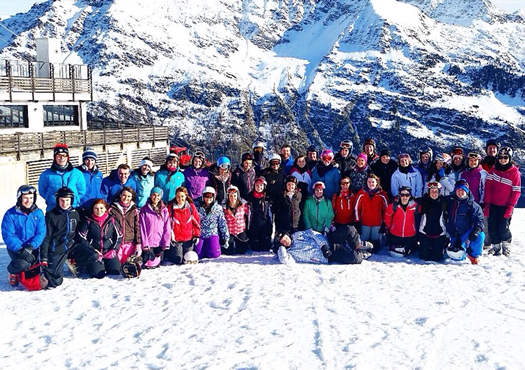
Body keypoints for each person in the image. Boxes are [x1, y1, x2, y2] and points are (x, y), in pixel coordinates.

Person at [2, 185, 46, 288]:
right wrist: (20, 249)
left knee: (32, 272)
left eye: (31, 198)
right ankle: (12, 271)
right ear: (20, 198)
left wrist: (31, 246)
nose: (28, 201)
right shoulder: (10, 214)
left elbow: (41, 232)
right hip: (16, 249)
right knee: (23, 264)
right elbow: (8, 235)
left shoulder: (38, 213)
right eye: (25, 198)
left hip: (32, 247)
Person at [40, 187, 81, 288]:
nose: (65, 203)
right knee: (55, 282)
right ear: (58, 200)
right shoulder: (51, 215)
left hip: (72, 246)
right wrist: (44, 257)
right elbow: (46, 237)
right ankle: (60, 262)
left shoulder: (75, 213)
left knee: (92, 255)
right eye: (62, 200)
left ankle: (75, 262)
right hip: (57, 248)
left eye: (67, 200)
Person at [484, 147, 521, 257]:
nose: (503, 159)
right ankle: (496, 247)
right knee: (492, 227)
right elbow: (488, 188)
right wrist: (487, 204)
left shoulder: (514, 173)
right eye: (500, 157)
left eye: (506, 157)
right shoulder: (494, 170)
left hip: (505, 205)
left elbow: (516, 191)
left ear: (509, 158)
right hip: (493, 205)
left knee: (503, 227)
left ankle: (506, 245)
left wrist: (511, 206)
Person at [75, 199, 122, 278]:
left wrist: (114, 249)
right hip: (95, 252)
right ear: (92, 209)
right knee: (98, 274)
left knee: (115, 272)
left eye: (101, 208)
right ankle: (87, 265)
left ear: (105, 209)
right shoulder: (88, 221)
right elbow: (81, 237)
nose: (99, 211)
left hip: (108, 250)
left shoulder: (112, 220)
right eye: (96, 208)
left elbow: (119, 236)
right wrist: (93, 250)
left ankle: (107, 262)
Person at [274, 228, 371, 265]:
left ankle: (358, 245)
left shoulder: (298, 235)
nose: (286, 241)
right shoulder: (290, 254)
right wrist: (281, 248)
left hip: (328, 240)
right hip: (328, 256)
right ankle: (362, 254)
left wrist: (324, 246)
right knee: (354, 258)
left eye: (285, 238)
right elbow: (285, 261)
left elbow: (313, 234)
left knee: (349, 230)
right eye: (283, 242)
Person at [446, 180, 485, 264]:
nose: (460, 192)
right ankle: (460, 249)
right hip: (455, 233)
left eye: (462, 190)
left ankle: (473, 255)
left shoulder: (473, 205)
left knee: (480, 235)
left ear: (467, 191)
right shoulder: (450, 202)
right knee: (457, 258)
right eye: (458, 190)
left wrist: (476, 230)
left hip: (467, 232)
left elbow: (479, 219)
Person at [38, 143, 86, 211]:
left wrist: (75, 199)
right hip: (53, 209)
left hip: (73, 208)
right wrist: (51, 199)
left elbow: (81, 190)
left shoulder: (77, 173)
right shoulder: (46, 175)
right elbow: (42, 191)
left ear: (67, 157)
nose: (62, 158)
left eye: (64, 155)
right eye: (58, 155)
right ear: (55, 157)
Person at [354, 174, 389, 253]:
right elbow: (356, 208)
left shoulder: (382, 194)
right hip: (365, 223)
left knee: (376, 244)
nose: (371, 184)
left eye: (373, 182)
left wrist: (384, 223)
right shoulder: (361, 193)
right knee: (363, 242)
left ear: (377, 183)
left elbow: (386, 210)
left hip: (377, 223)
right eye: (369, 182)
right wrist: (357, 222)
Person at [165, 186, 201, 265]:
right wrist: (170, 235)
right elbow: (167, 223)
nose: (180, 199)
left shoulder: (191, 207)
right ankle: (168, 254)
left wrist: (196, 235)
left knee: (188, 258)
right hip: (176, 239)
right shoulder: (171, 208)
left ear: (186, 196)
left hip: (188, 238)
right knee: (178, 259)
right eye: (178, 196)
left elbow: (196, 222)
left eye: (182, 196)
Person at [139, 187, 171, 268]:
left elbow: (167, 227)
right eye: (154, 195)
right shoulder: (144, 210)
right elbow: (142, 227)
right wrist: (145, 244)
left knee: (158, 265)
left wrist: (166, 242)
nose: (156, 197)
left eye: (158, 195)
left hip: (159, 243)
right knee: (148, 264)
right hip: (148, 244)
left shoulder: (164, 210)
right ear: (150, 195)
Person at [109, 186, 142, 264]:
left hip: (129, 242)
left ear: (132, 197)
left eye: (129, 196)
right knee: (117, 266)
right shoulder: (112, 209)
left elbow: (137, 227)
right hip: (116, 242)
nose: (126, 198)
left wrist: (138, 243)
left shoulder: (134, 210)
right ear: (120, 195)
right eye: (124, 195)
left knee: (128, 264)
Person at [384, 186, 419, 257]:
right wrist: (388, 227)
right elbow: (387, 217)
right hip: (395, 234)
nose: (405, 197)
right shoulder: (393, 206)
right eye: (402, 195)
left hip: (410, 235)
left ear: (410, 196)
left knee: (410, 251)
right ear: (399, 195)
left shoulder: (415, 206)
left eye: (407, 195)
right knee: (395, 253)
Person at [418, 182, 449, 262]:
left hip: (440, 233)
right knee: (424, 257)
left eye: (436, 191)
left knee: (437, 258)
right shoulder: (423, 201)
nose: (434, 194)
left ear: (439, 192)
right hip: (425, 232)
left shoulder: (444, 202)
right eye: (432, 191)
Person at [195, 187, 229, 258]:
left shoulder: (218, 208)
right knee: (198, 255)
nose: (208, 198)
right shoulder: (197, 207)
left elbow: (222, 222)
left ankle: (211, 247)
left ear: (214, 196)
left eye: (211, 196)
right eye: (206, 196)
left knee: (214, 254)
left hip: (212, 233)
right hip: (200, 234)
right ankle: (203, 248)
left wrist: (225, 236)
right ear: (203, 196)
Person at [245, 177, 272, 252]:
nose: (259, 187)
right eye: (257, 185)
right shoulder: (249, 197)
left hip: (265, 224)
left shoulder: (268, 197)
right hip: (254, 224)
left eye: (261, 185)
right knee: (255, 248)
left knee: (265, 247)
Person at [222, 185, 250, 255]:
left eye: (234, 196)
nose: (233, 198)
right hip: (229, 232)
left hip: (240, 230)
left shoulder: (243, 205)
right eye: (231, 196)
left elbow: (249, 215)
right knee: (228, 252)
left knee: (241, 251)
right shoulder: (224, 207)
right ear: (228, 196)